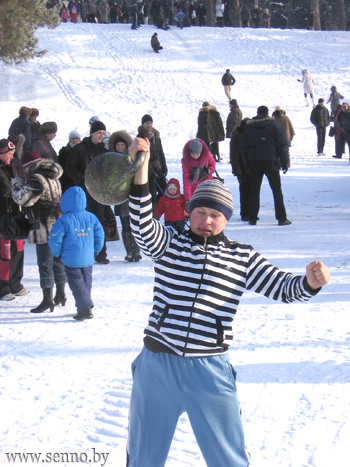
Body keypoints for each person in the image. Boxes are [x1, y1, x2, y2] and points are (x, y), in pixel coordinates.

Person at [125, 136, 331, 467]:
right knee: (143, 457)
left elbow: (283, 287)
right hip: (157, 366)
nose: (206, 220)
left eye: (215, 215)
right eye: (200, 212)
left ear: (226, 219)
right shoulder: (168, 244)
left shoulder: (241, 258)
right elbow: (141, 223)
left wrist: (309, 282)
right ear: (190, 212)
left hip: (209, 369)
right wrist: (142, 168)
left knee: (228, 459)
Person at [11, 150, 67, 313]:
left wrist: (16, 184)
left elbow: (24, 199)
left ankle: (47, 299)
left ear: (29, 166)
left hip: (44, 226)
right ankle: (61, 294)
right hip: (58, 224)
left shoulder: (36, 178)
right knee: (57, 260)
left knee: (44, 263)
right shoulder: (53, 174)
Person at [48, 186, 104, 321]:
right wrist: (96, 250)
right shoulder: (91, 217)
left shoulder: (63, 220)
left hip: (71, 258)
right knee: (86, 281)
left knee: (76, 282)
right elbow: (100, 235)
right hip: (88, 257)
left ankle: (85, 308)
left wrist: (58, 254)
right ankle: (83, 305)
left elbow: (55, 238)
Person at [65, 120, 116, 265]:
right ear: (92, 133)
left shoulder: (104, 152)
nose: (101, 136)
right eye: (98, 133)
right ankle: (84, 253)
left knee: (99, 223)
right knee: (83, 224)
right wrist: (83, 179)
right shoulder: (79, 149)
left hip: (98, 193)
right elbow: (69, 168)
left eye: (103, 133)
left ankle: (101, 253)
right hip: (83, 193)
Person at [240, 105, 291, 226]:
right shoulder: (274, 126)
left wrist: (246, 163)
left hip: (254, 162)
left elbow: (243, 147)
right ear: (268, 113)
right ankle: (282, 218)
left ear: (257, 113)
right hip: (271, 162)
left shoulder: (249, 127)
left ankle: (252, 218)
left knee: (254, 191)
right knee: (277, 190)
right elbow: (282, 145)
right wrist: (285, 161)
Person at [0, 139, 29, 301]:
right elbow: (6, 192)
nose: (12, 158)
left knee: (18, 249)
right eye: (9, 155)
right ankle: (3, 287)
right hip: (3, 218)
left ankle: (15, 283)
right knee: (4, 253)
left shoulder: (9, 168)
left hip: (14, 216)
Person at [109, 130, 142, 262]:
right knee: (125, 225)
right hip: (120, 198)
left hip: (131, 195)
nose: (120, 147)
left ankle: (137, 250)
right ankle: (129, 252)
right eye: (118, 145)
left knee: (135, 224)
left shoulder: (131, 157)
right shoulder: (112, 160)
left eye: (122, 145)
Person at [136, 114, 167, 212]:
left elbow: (161, 152)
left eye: (150, 122)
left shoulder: (156, 136)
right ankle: (151, 215)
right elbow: (140, 156)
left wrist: (164, 166)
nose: (149, 125)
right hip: (148, 172)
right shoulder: (140, 138)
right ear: (143, 124)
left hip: (159, 168)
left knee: (165, 191)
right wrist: (150, 169)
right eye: (146, 123)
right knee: (152, 195)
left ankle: (156, 210)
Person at [182, 138, 215, 210]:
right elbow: (187, 181)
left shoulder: (207, 156)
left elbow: (212, 165)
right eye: (192, 154)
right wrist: (188, 199)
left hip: (207, 187)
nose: (195, 156)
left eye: (197, 154)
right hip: (195, 190)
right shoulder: (186, 161)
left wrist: (209, 171)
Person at [230, 118, 251, 221]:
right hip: (241, 169)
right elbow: (234, 155)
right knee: (244, 191)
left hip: (248, 168)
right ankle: (245, 213)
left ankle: (249, 212)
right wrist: (237, 170)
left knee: (249, 190)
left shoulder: (246, 135)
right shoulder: (237, 137)